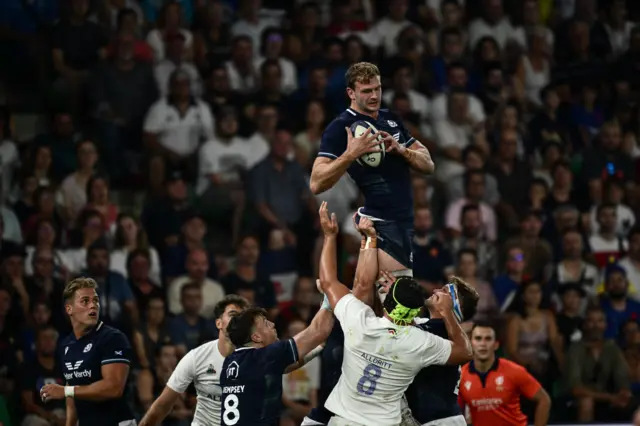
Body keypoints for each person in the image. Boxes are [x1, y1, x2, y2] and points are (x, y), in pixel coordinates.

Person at [314, 202, 473, 426]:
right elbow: (465, 353)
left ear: (386, 303)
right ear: (414, 312)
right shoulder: (420, 341)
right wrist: (448, 313)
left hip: (344, 420)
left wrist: (332, 236)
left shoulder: (361, 322)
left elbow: (333, 281)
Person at [309, 61, 435, 276]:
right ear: (351, 92)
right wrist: (351, 153)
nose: (374, 96)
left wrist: (402, 150)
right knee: (396, 301)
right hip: (383, 222)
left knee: (370, 298)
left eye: (377, 89)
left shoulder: (391, 119)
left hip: (402, 220)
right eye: (366, 91)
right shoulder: (340, 128)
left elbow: (428, 165)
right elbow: (316, 183)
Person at [220, 284, 335, 425]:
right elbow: (319, 330)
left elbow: (286, 367)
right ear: (256, 337)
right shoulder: (267, 355)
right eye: (266, 324)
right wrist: (329, 295)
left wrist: (317, 348)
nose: (273, 325)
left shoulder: (231, 361)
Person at [138, 295, 250, 426]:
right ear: (218, 323)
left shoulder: (259, 358)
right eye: (233, 314)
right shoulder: (196, 357)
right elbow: (161, 406)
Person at [39, 277, 135, 426]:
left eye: (96, 300)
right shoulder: (65, 345)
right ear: (69, 309)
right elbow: (72, 397)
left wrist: (65, 391)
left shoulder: (112, 338)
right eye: (85, 301)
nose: (93, 305)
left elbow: (114, 387)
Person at [401, 276, 480, 426]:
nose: (435, 290)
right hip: (440, 418)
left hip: (439, 420)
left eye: (444, 291)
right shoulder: (433, 328)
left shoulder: (439, 331)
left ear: (455, 305)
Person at [458, 322, 551, 426]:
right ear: (471, 343)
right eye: (478, 338)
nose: (483, 344)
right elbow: (455, 411)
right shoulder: (461, 376)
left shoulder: (514, 371)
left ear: (496, 344)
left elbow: (544, 400)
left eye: (488, 339)